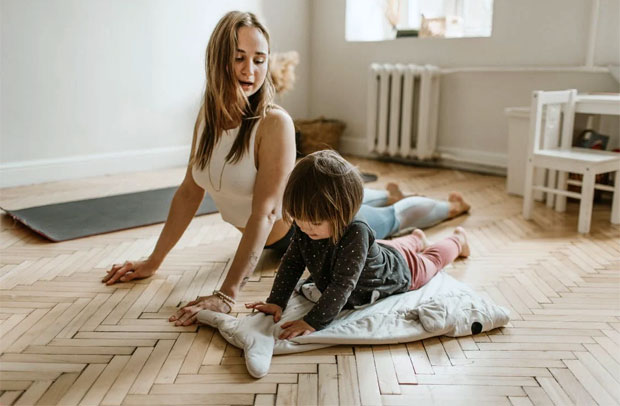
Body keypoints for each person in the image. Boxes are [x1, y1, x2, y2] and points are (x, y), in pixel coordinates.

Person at [101, 11, 470, 326]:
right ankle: (388, 200)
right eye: (239, 57)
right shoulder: (207, 118)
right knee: (377, 209)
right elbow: (188, 193)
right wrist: (154, 260)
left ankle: (449, 209)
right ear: (217, 58)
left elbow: (265, 213)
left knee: (390, 218)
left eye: (259, 59)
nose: (250, 70)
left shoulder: (273, 123)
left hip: (316, 230)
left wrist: (227, 294)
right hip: (296, 226)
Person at [246, 151, 470, 339]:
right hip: (379, 251)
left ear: (343, 212)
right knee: (390, 247)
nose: (305, 228)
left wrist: (312, 321)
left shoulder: (356, 232)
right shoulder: (307, 227)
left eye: (314, 222)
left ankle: (458, 240)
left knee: (431, 260)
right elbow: (292, 262)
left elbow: (343, 284)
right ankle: (416, 238)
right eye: (299, 220)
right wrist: (276, 301)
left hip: (400, 270)